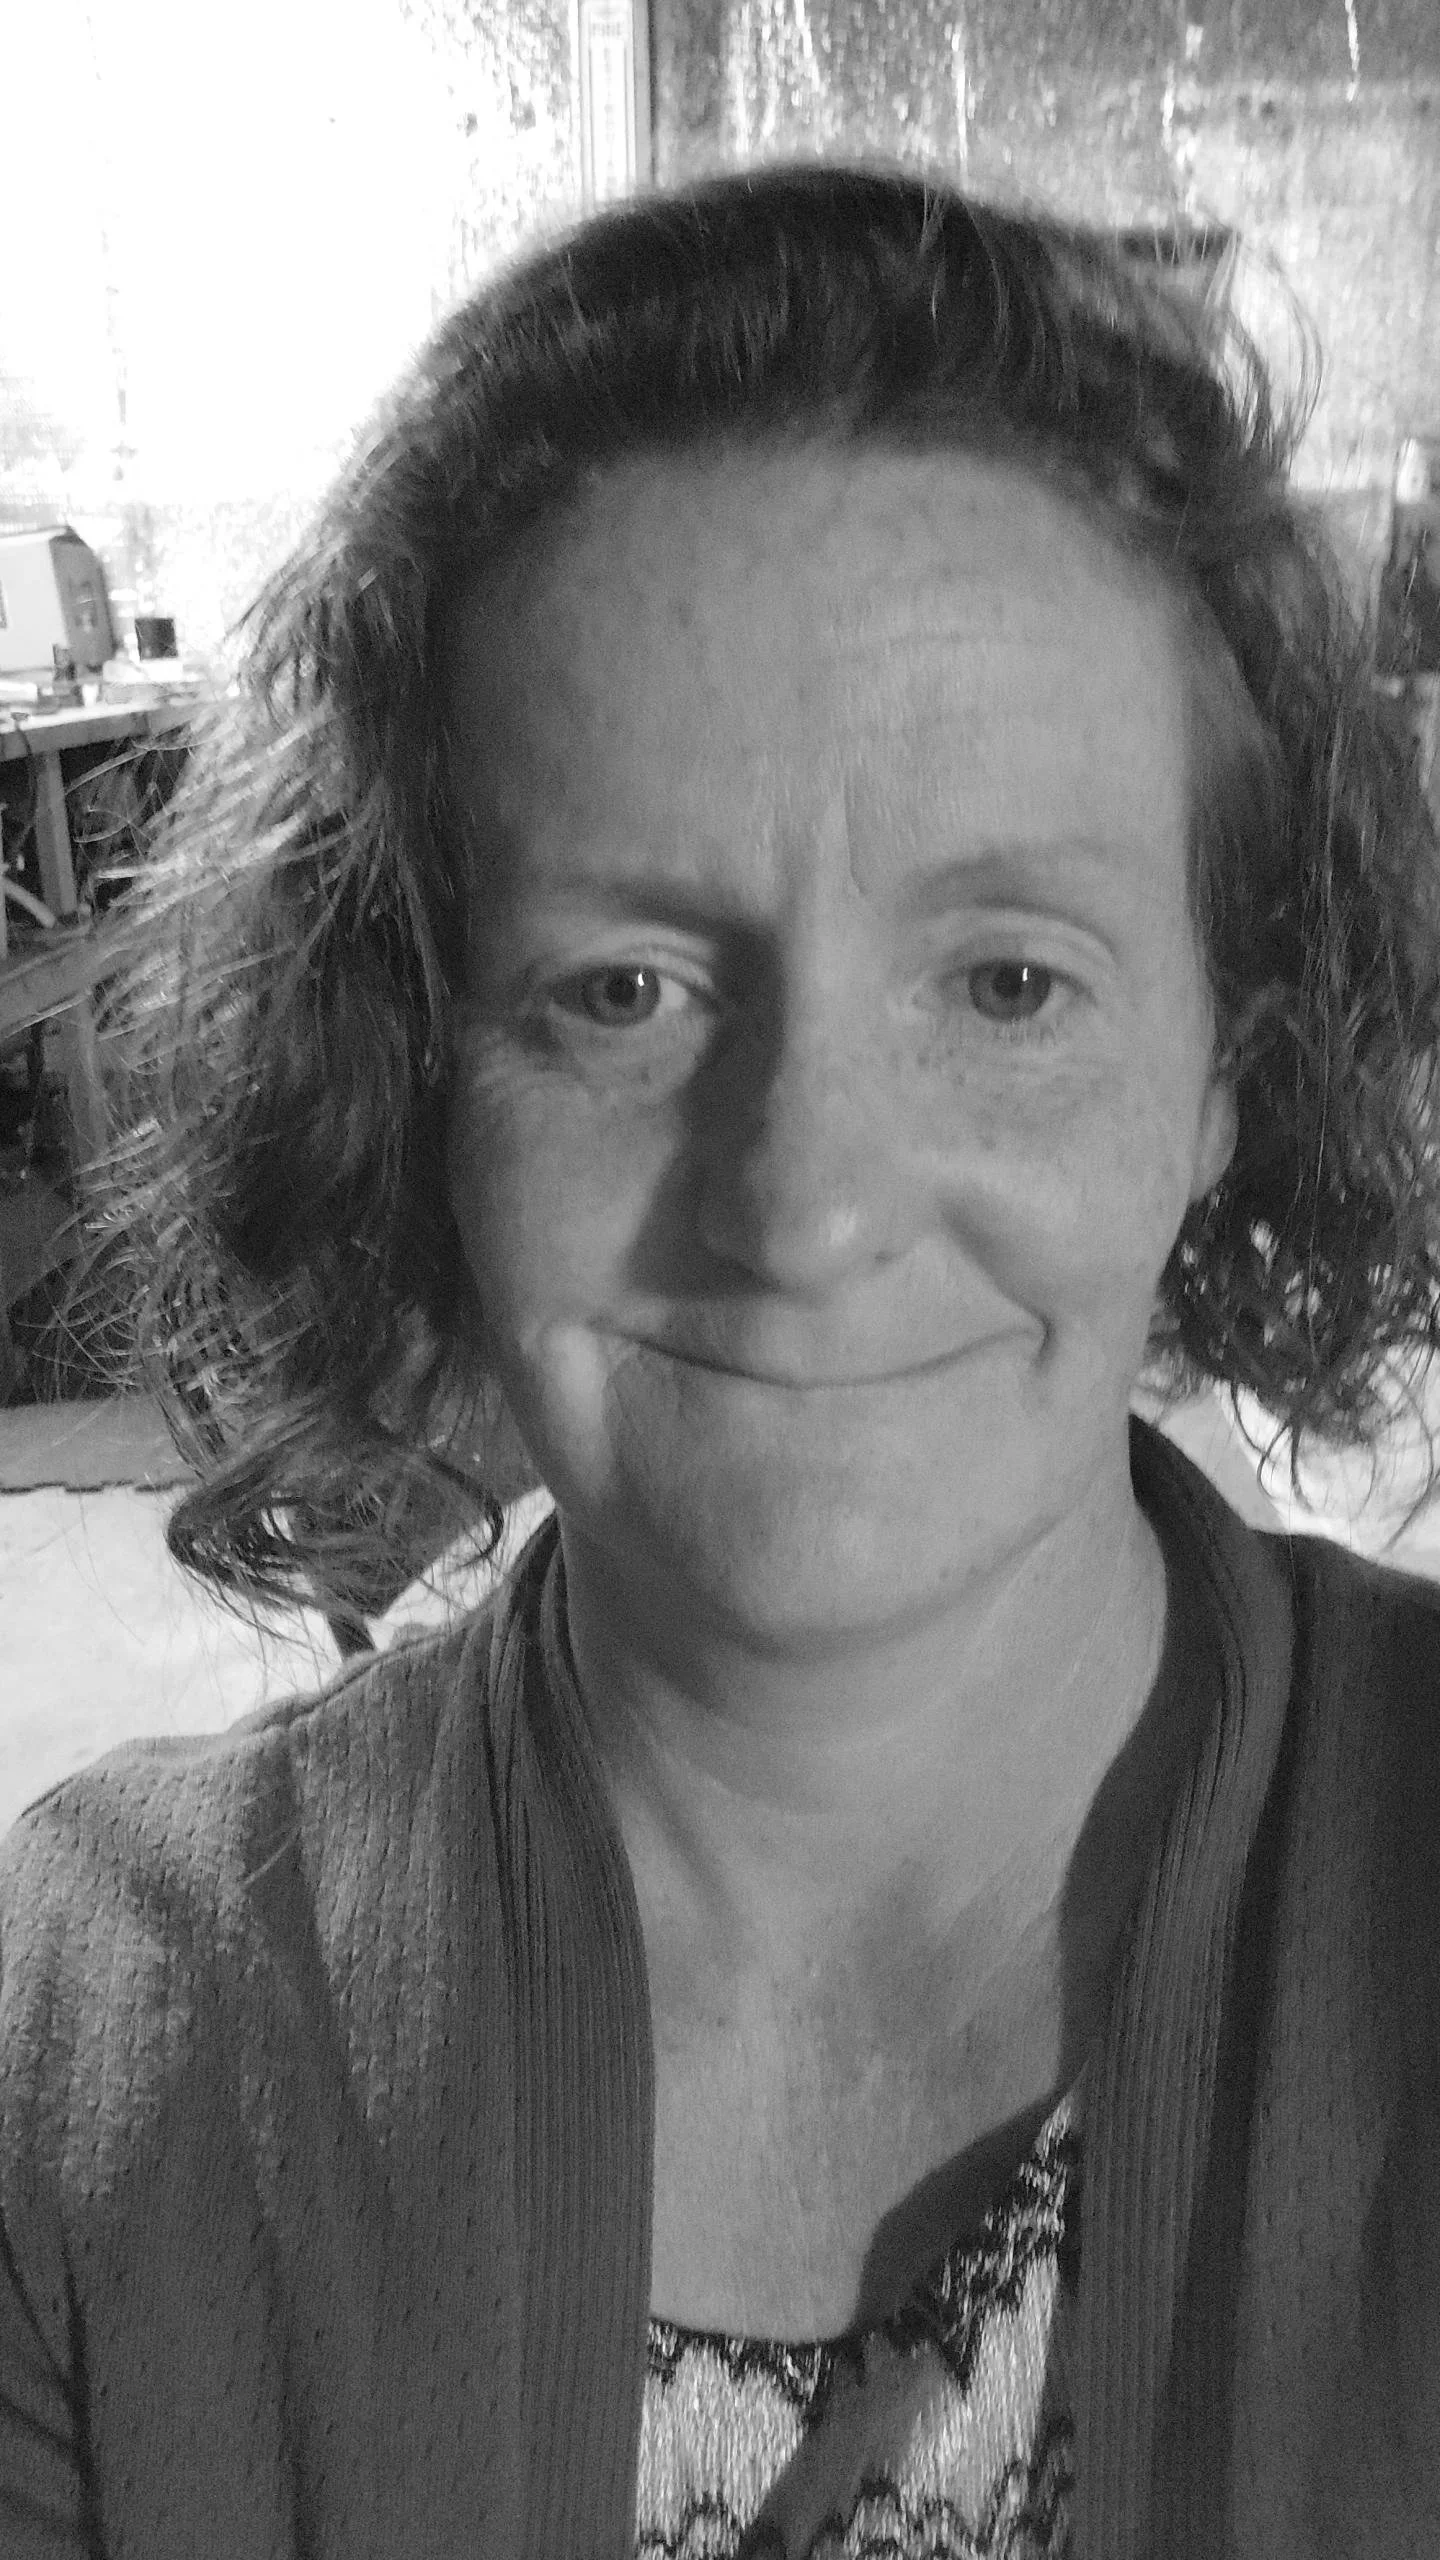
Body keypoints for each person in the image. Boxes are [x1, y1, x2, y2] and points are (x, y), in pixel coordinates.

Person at [3, 159, 1440, 2560]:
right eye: (622, 990)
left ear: (1226, 1069)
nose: (804, 1202)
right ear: (419, 1075)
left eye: (1007, 981)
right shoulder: (94, 2040)